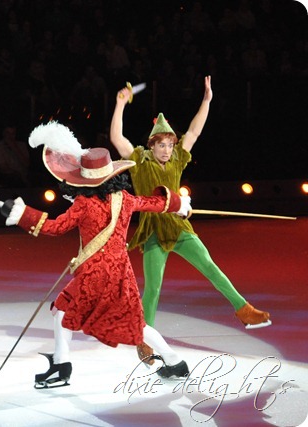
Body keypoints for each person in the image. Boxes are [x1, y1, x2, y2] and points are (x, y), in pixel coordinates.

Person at [0, 121, 192, 388]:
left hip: (94, 275)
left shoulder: (83, 204)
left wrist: (19, 213)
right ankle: (174, 361)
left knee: (66, 311)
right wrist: (179, 205)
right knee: (127, 321)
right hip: (120, 273)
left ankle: (62, 366)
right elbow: (153, 202)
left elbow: (54, 228)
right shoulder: (125, 198)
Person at [109, 76, 271, 361]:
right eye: (162, 145)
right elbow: (116, 139)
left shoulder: (176, 160)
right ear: (152, 145)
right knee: (153, 289)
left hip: (179, 227)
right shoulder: (139, 161)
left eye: (170, 145)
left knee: (210, 267)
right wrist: (120, 104)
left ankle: (244, 310)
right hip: (153, 231)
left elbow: (194, 131)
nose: (167, 150)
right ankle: (144, 340)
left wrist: (206, 100)